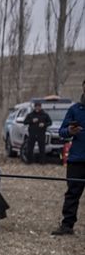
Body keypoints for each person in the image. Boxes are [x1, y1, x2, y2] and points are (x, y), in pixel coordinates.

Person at [51, 80, 85, 235]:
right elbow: (62, 131)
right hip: (77, 160)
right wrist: (70, 131)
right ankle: (67, 226)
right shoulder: (74, 109)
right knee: (72, 194)